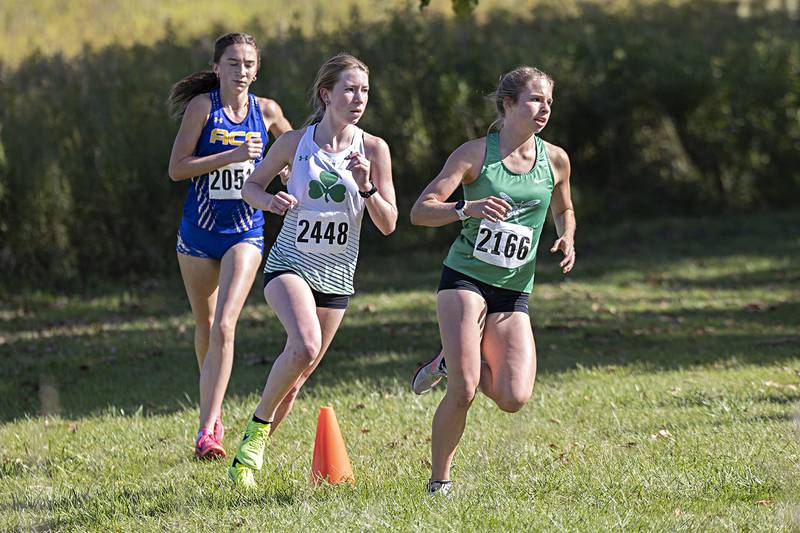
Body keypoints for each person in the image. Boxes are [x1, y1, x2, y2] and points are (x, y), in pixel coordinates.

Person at [227, 53, 397, 487]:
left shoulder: (374, 149)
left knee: (298, 378)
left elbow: (388, 222)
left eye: (364, 91)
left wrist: (367, 186)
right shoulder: (293, 143)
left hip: (338, 276)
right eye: (349, 90)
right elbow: (251, 187)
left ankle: (248, 457)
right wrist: (271, 202)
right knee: (303, 345)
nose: (358, 99)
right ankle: (255, 436)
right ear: (326, 94)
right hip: (291, 264)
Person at [409, 66, 576, 495]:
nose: (545, 109)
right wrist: (466, 209)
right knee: (464, 390)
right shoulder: (473, 155)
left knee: (513, 397)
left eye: (549, 102)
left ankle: (447, 361)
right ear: (508, 105)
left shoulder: (555, 159)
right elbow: (421, 210)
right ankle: (439, 482)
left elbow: (563, 208)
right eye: (536, 100)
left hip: (513, 288)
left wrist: (566, 236)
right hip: (464, 278)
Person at [167, 32, 293, 459]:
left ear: (258, 70)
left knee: (225, 324)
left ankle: (206, 433)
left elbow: (296, 154)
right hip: (198, 234)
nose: (242, 71)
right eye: (233, 63)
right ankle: (215, 409)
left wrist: (286, 175)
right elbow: (177, 168)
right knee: (205, 328)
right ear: (217, 67)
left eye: (249, 64)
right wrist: (232, 154)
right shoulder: (204, 109)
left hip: (245, 232)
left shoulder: (268, 111)